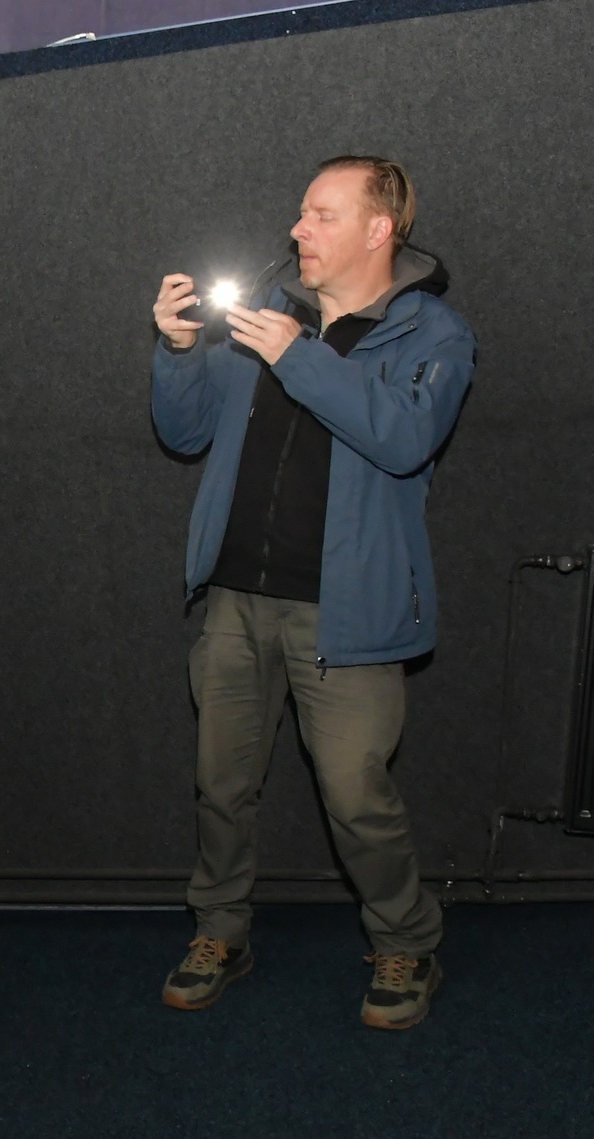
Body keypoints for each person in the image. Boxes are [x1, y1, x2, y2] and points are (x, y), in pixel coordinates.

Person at [148, 156, 476, 1029]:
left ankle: (406, 942)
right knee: (221, 785)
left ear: (380, 229)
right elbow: (184, 433)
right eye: (301, 212)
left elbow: (403, 437)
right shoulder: (264, 315)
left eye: (323, 215)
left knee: (357, 798)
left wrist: (297, 356)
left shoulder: (434, 335)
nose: (298, 229)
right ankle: (220, 931)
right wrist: (179, 352)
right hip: (236, 601)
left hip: (349, 613)